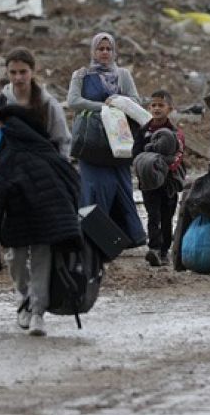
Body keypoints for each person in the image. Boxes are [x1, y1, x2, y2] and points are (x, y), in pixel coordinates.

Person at [0, 105, 83, 337]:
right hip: (18, 218)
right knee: (17, 261)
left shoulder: (33, 150)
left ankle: (37, 312)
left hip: (44, 219)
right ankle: (26, 299)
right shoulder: (8, 151)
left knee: (40, 262)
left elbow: (70, 182)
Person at [67, 32, 146, 246]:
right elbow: (73, 101)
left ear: (114, 51)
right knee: (93, 187)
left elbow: (136, 100)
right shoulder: (81, 75)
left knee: (121, 186)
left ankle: (127, 237)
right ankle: (95, 237)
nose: (104, 53)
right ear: (92, 51)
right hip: (91, 142)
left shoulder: (123, 75)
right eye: (100, 49)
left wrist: (119, 101)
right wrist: (103, 107)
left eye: (108, 49)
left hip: (118, 142)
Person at [133, 90, 185, 267]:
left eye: (160, 105)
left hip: (168, 183)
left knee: (167, 217)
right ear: (148, 108)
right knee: (152, 215)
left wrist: (161, 165)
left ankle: (164, 251)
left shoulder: (175, 133)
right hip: (148, 183)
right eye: (153, 105)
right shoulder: (143, 131)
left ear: (169, 109)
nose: (156, 108)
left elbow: (178, 157)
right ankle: (154, 248)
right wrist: (145, 167)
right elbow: (136, 155)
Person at [0, 48, 71, 157]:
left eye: (23, 72)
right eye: (13, 72)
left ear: (32, 71)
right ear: (6, 72)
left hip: (42, 166)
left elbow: (62, 140)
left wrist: (62, 168)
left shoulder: (48, 104)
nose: (18, 77)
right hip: (6, 167)